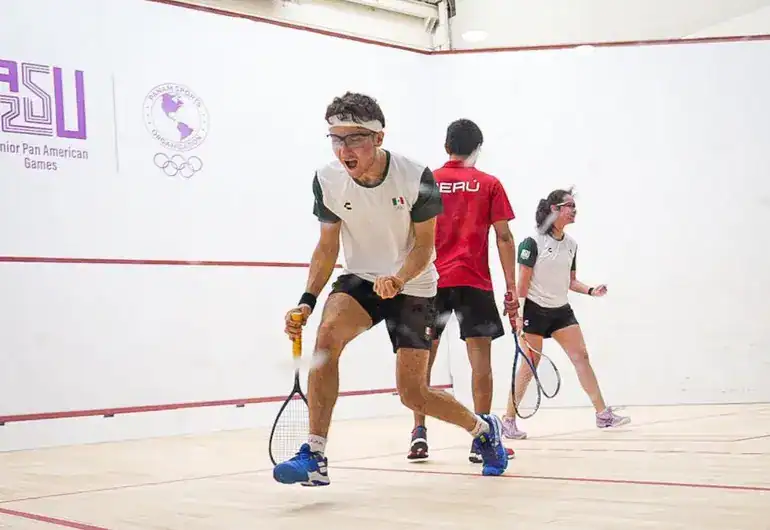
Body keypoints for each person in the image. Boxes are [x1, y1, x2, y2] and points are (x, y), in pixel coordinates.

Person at [272, 92, 509, 487]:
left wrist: (398, 278)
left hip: (414, 285)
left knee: (413, 394)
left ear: (379, 138)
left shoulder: (416, 177)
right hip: (361, 277)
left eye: (354, 139)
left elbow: (425, 246)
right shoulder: (327, 180)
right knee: (327, 336)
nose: (344, 149)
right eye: (336, 138)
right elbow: (327, 247)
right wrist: (307, 302)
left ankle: (484, 430)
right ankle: (315, 455)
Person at [407, 119, 519, 464]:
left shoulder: (427, 181)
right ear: (478, 149)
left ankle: (419, 434)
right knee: (480, 363)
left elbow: (410, 234)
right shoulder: (490, 184)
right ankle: (481, 439)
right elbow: (504, 237)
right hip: (474, 284)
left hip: (430, 283)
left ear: (447, 146)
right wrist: (512, 288)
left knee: (421, 363)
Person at [501, 188, 630, 439]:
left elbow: (571, 281)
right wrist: (518, 316)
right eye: (569, 206)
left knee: (581, 356)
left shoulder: (571, 245)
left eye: (574, 206)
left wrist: (591, 290)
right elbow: (522, 284)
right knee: (530, 364)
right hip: (534, 310)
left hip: (560, 311)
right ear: (555, 209)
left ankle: (603, 415)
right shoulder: (532, 242)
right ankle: (508, 420)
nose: (574, 210)